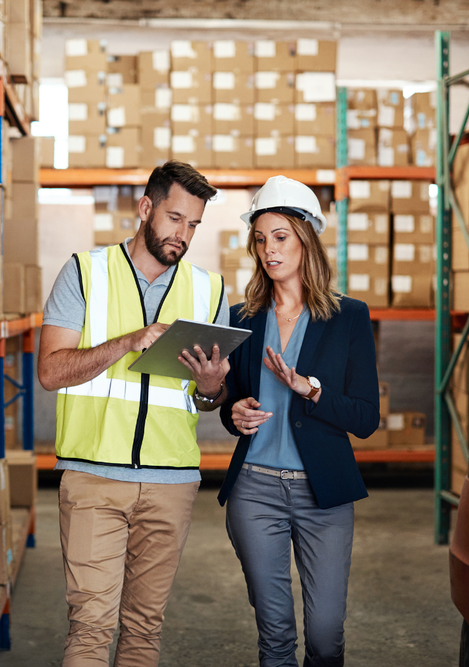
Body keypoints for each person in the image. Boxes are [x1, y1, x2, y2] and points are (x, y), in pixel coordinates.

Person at [37, 160, 231, 667]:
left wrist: (213, 388)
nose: (182, 234)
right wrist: (128, 341)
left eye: (193, 225)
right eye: (174, 218)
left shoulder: (210, 291)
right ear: (145, 208)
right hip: (93, 480)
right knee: (90, 629)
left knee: (144, 631)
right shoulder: (84, 272)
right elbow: (51, 372)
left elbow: (207, 401)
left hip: (172, 484)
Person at [217, 176, 380, 667]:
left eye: (281, 237)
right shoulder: (241, 319)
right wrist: (233, 411)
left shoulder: (348, 317)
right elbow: (231, 404)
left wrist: (311, 389)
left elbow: (366, 418)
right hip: (255, 490)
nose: (269, 250)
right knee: (275, 636)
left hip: (322, 495)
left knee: (326, 638)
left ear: (307, 238)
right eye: (261, 239)